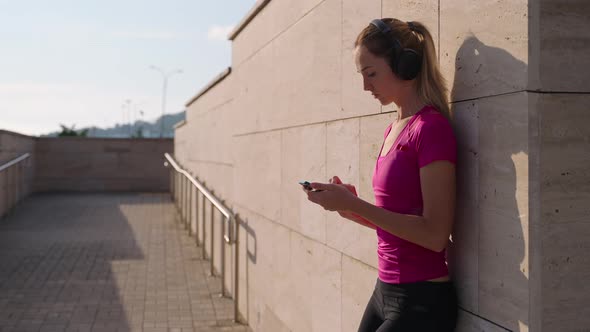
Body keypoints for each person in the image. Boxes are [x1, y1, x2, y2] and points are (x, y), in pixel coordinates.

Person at [304, 18, 458, 331]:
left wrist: (358, 206)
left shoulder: (431, 129)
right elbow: (393, 221)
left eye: (371, 74)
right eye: (362, 76)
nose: (365, 86)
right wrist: (348, 206)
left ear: (405, 65)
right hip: (384, 290)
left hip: (422, 300)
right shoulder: (393, 128)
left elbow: (434, 235)